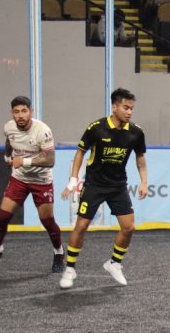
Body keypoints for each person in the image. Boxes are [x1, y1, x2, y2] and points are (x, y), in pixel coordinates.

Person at [58, 88, 147, 289]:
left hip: (118, 186)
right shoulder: (96, 128)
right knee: (81, 226)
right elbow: (80, 153)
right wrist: (73, 180)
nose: (129, 112)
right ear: (114, 107)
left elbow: (140, 158)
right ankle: (70, 268)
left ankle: (114, 263)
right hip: (94, 185)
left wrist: (144, 182)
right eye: (125, 107)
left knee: (129, 227)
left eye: (132, 108)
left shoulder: (136, 132)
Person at [0, 96, 63, 272]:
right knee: (2, 217)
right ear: (12, 113)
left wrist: (23, 161)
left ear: (31, 112)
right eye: (16, 112)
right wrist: (7, 156)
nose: (20, 115)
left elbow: (50, 160)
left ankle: (58, 253)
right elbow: (9, 141)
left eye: (24, 111)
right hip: (19, 179)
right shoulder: (9, 127)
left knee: (47, 221)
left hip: (41, 181)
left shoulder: (42, 131)